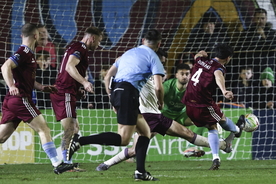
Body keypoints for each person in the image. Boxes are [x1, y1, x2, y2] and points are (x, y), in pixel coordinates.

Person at [95, 50, 235, 171]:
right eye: (161, 62)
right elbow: (155, 90)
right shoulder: (157, 80)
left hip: (168, 116)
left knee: (192, 129)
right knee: (134, 148)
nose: (162, 67)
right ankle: (109, 163)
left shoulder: (182, 83)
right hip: (154, 115)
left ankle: (221, 145)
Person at [67, 29, 164, 181]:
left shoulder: (128, 53)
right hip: (129, 93)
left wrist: (112, 97)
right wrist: (160, 101)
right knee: (124, 139)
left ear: (143, 40)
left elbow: (107, 77)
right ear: (159, 44)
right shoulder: (154, 57)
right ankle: (80, 141)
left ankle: (140, 172)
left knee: (145, 132)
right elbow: (158, 86)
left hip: (118, 91)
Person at [0, 23, 74, 174]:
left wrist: (41, 87)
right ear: (35, 36)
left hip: (12, 101)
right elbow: (5, 66)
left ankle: (57, 163)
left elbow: (27, 79)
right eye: (40, 34)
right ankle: (57, 164)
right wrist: (11, 86)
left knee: (1, 138)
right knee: (43, 128)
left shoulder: (29, 53)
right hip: (20, 98)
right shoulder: (25, 51)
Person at [182, 43, 245, 170]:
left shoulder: (200, 60)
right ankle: (237, 130)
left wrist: (201, 52)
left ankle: (220, 154)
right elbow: (218, 77)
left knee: (212, 125)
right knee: (218, 121)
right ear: (228, 58)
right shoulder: (218, 67)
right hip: (203, 103)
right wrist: (224, 91)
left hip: (188, 103)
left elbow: (198, 55)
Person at [49, 26, 103, 171]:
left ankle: (68, 162)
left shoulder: (75, 46)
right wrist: (85, 83)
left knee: (75, 129)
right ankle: (65, 163)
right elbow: (69, 67)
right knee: (70, 129)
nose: (98, 45)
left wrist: (78, 87)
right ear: (92, 38)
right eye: (98, 41)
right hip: (64, 91)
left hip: (68, 91)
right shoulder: (81, 48)